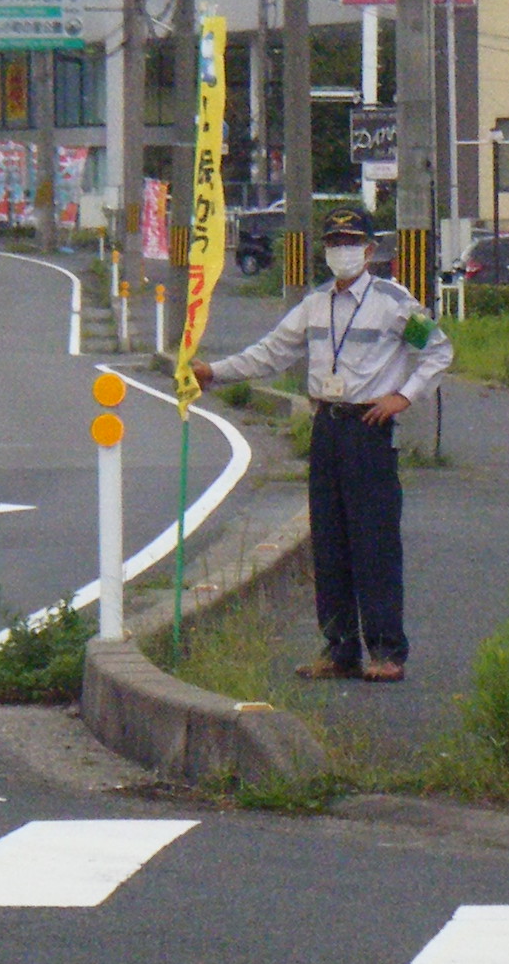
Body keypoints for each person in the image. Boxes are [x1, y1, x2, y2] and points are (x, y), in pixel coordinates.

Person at [194, 207, 452, 683]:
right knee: (329, 542)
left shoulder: (393, 302)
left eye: (351, 241)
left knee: (373, 542)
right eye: (333, 242)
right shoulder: (315, 304)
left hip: (368, 429)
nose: (341, 250)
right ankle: (339, 648)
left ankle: (386, 650)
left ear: (370, 250)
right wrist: (215, 372)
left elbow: (437, 349)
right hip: (327, 427)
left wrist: (403, 397)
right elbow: (272, 352)